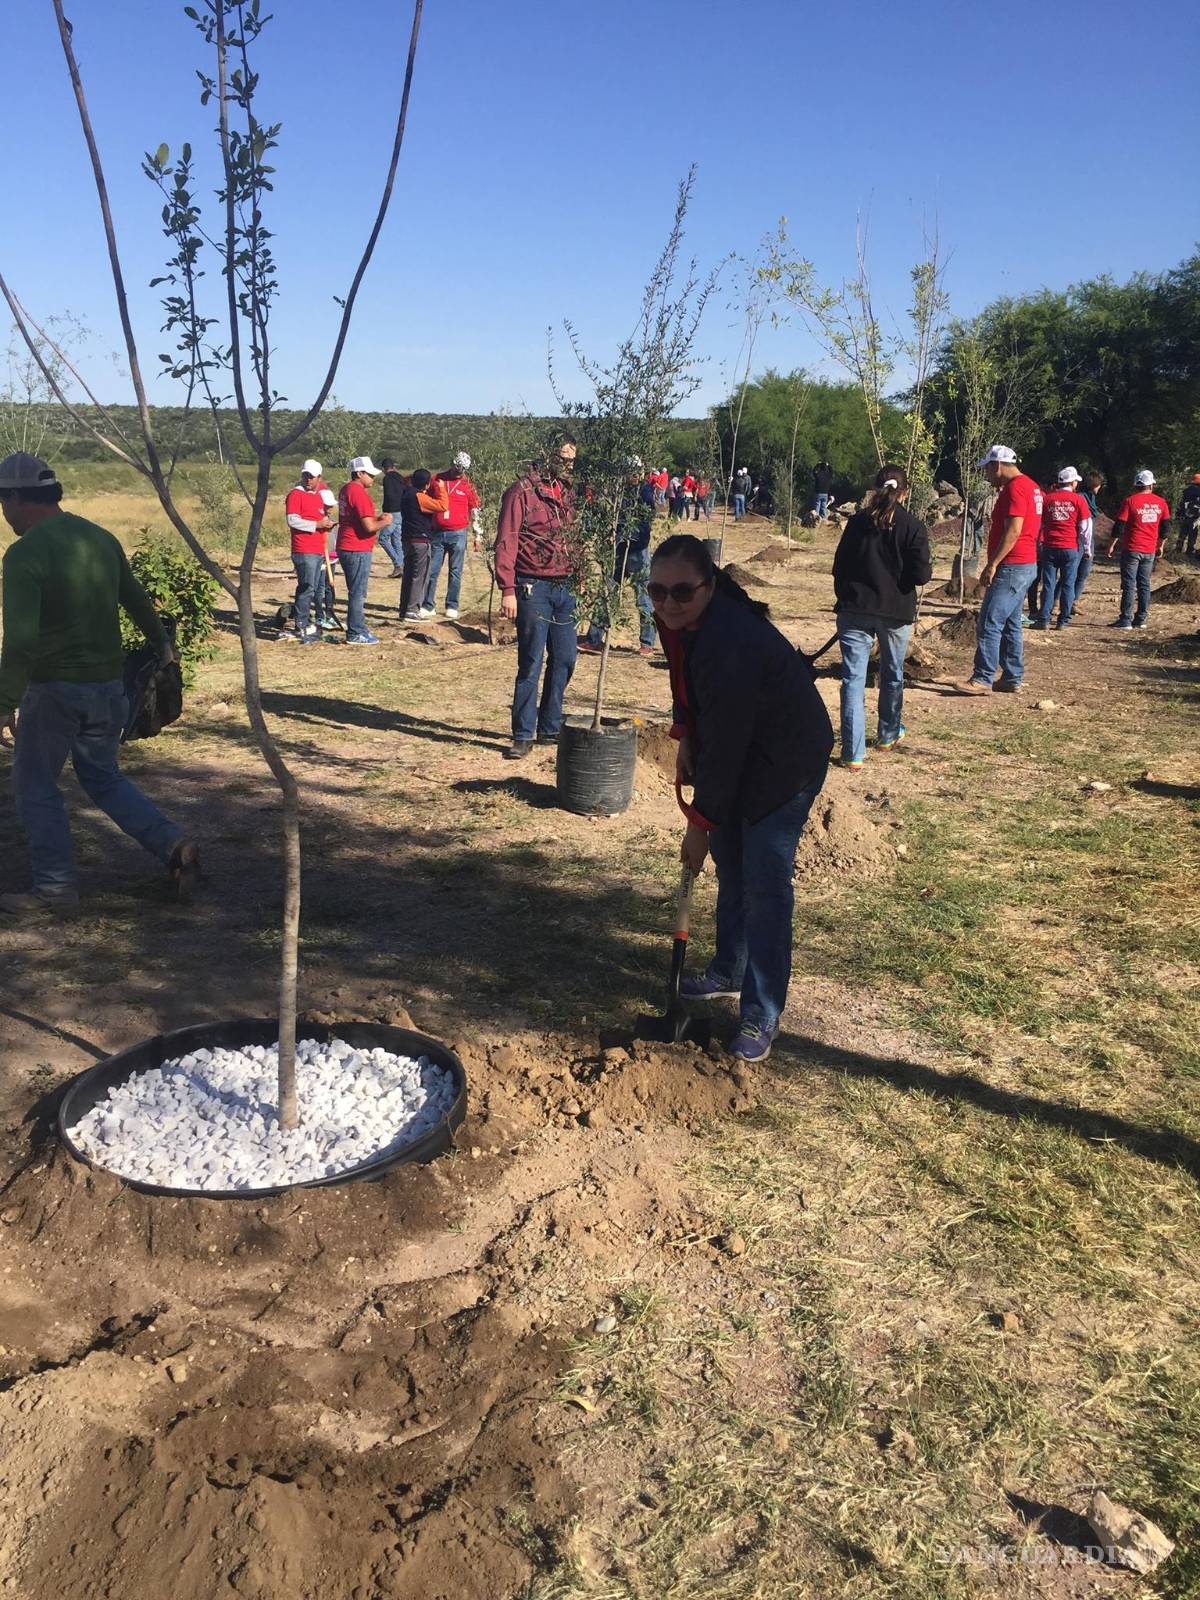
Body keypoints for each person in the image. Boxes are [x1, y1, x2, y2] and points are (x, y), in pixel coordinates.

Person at [649, 533, 833, 1063]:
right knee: (732, 864)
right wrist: (685, 736)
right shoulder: (676, 617)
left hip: (784, 761)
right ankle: (729, 968)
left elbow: (729, 748)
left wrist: (699, 822)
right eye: (656, 591)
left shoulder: (732, 639)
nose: (667, 603)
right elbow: (684, 683)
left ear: (710, 585)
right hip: (738, 745)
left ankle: (762, 1009)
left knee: (763, 881)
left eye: (681, 591)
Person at [0, 452, 199, 914]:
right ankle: (173, 845)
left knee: (35, 787)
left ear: (16, 497)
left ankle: (53, 890)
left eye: (3, 502)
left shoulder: (25, 553)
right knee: (104, 778)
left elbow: (21, 642)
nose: (4, 514)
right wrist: (163, 647)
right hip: (110, 689)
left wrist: (5, 701)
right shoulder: (99, 538)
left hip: (53, 691)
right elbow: (135, 599)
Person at [832, 464, 932, 768]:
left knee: (852, 680)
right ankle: (888, 734)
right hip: (895, 611)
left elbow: (839, 566)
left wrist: (845, 596)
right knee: (892, 674)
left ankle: (853, 753)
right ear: (906, 491)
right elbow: (921, 576)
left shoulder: (857, 523)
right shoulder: (913, 527)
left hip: (855, 610)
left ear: (875, 489)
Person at [495, 434, 579, 759]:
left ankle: (550, 726)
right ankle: (523, 733)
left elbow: (573, 538)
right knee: (531, 660)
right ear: (546, 455)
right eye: (562, 457)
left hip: (565, 587)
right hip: (533, 586)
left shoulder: (567, 493)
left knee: (565, 657)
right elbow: (507, 540)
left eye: (571, 460)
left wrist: (580, 574)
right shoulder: (522, 492)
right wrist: (508, 589)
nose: (567, 464)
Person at [955, 445, 1043, 695]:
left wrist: (992, 564)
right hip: (1025, 564)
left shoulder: (1015, 489)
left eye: (987, 469)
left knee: (989, 621)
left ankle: (983, 677)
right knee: (1011, 623)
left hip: (1013, 565)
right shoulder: (1032, 487)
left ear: (998, 465)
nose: (986, 475)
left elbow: (1014, 530)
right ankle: (1012, 676)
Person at [579, 470, 656, 658]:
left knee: (643, 596)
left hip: (637, 551)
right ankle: (594, 639)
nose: (633, 476)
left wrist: (629, 536)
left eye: (635, 472)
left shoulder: (644, 491)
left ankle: (647, 643)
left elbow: (646, 519)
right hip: (618, 551)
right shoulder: (618, 491)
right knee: (607, 592)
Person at [336, 456, 390, 644]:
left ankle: (358, 626)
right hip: (356, 547)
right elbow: (368, 526)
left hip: (346, 544)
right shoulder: (358, 493)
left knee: (355, 590)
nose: (372, 478)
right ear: (359, 473)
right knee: (358, 592)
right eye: (369, 474)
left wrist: (376, 519)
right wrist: (384, 521)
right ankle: (355, 631)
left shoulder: (346, 489)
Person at [1108, 470, 1171, 630]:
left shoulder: (1130, 501)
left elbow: (1119, 526)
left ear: (1136, 485)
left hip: (1131, 548)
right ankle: (1141, 619)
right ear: (1152, 484)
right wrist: (1161, 545)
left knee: (1129, 584)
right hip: (1149, 550)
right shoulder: (1161, 502)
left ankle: (1125, 620)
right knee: (1144, 584)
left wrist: (1112, 544)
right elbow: (1166, 528)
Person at [422, 450, 480, 619]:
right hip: (437, 532)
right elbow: (426, 500)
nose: (459, 471)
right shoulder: (437, 479)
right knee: (432, 570)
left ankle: (452, 605)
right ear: (453, 464)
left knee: (455, 571)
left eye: (462, 469)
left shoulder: (468, 485)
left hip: (458, 533)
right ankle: (428, 604)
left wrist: (478, 535)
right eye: (457, 467)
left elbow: (475, 510)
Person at [1033, 467, 1092, 630]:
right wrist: (1087, 549)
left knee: (1048, 584)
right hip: (1070, 548)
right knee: (1068, 584)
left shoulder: (1048, 499)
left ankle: (1044, 618)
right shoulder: (1079, 500)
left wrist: (1037, 543)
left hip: (1050, 547)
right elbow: (1085, 527)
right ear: (1072, 483)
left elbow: (1040, 524)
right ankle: (1063, 620)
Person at [284, 459, 334, 643]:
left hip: (316, 548)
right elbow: (293, 520)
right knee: (306, 587)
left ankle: (304, 621)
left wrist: (326, 524)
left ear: (319, 477)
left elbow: (318, 517)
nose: (308, 479)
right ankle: (301, 624)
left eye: (311, 477)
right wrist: (317, 524)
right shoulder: (295, 495)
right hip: (303, 548)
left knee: (311, 587)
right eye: (305, 475)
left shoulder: (318, 496)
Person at [396, 469, 450, 622]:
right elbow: (442, 505)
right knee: (420, 576)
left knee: (408, 575)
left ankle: (404, 608)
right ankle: (412, 610)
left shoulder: (406, 493)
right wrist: (440, 488)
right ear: (427, 484)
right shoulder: (419, 497)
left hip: (407, 539)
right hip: (420, 540)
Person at [1074, 470, 1103, 600]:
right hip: (1078, 538)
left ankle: (1075, 601)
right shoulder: (1080, 497)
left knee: (1083, 573)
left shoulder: (1091, 498)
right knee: (1071, 572)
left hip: (1088, 538)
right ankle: (1058, 602)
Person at [379, 458, 406, 578]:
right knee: (396, 541)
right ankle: (401, 567)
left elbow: (389, 495)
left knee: (383, 538)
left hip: (392, 512)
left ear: (383, 469)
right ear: (393, 466)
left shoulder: (387, 478)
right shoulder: (400, 477)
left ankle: (398, 564)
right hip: (401, 511)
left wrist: (386, 511)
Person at [1174, 473, 1200, 560]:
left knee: (1182, 534)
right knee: (1192, 535)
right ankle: (1189, 553)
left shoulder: (1186, 490)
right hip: (1194, 517)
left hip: (1184, 516)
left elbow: (1180, 503)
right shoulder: (1199, 491)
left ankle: (1177, 550)